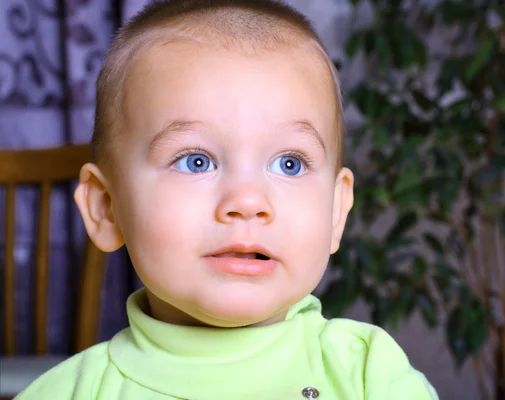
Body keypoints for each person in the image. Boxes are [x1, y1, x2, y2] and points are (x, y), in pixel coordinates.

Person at [17, 0, 439, 398]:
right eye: (196, 161)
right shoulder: (71, 392)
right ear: (106, 207)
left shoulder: (371, 377)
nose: (248, 201)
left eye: (289, 164)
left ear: (335, 210)